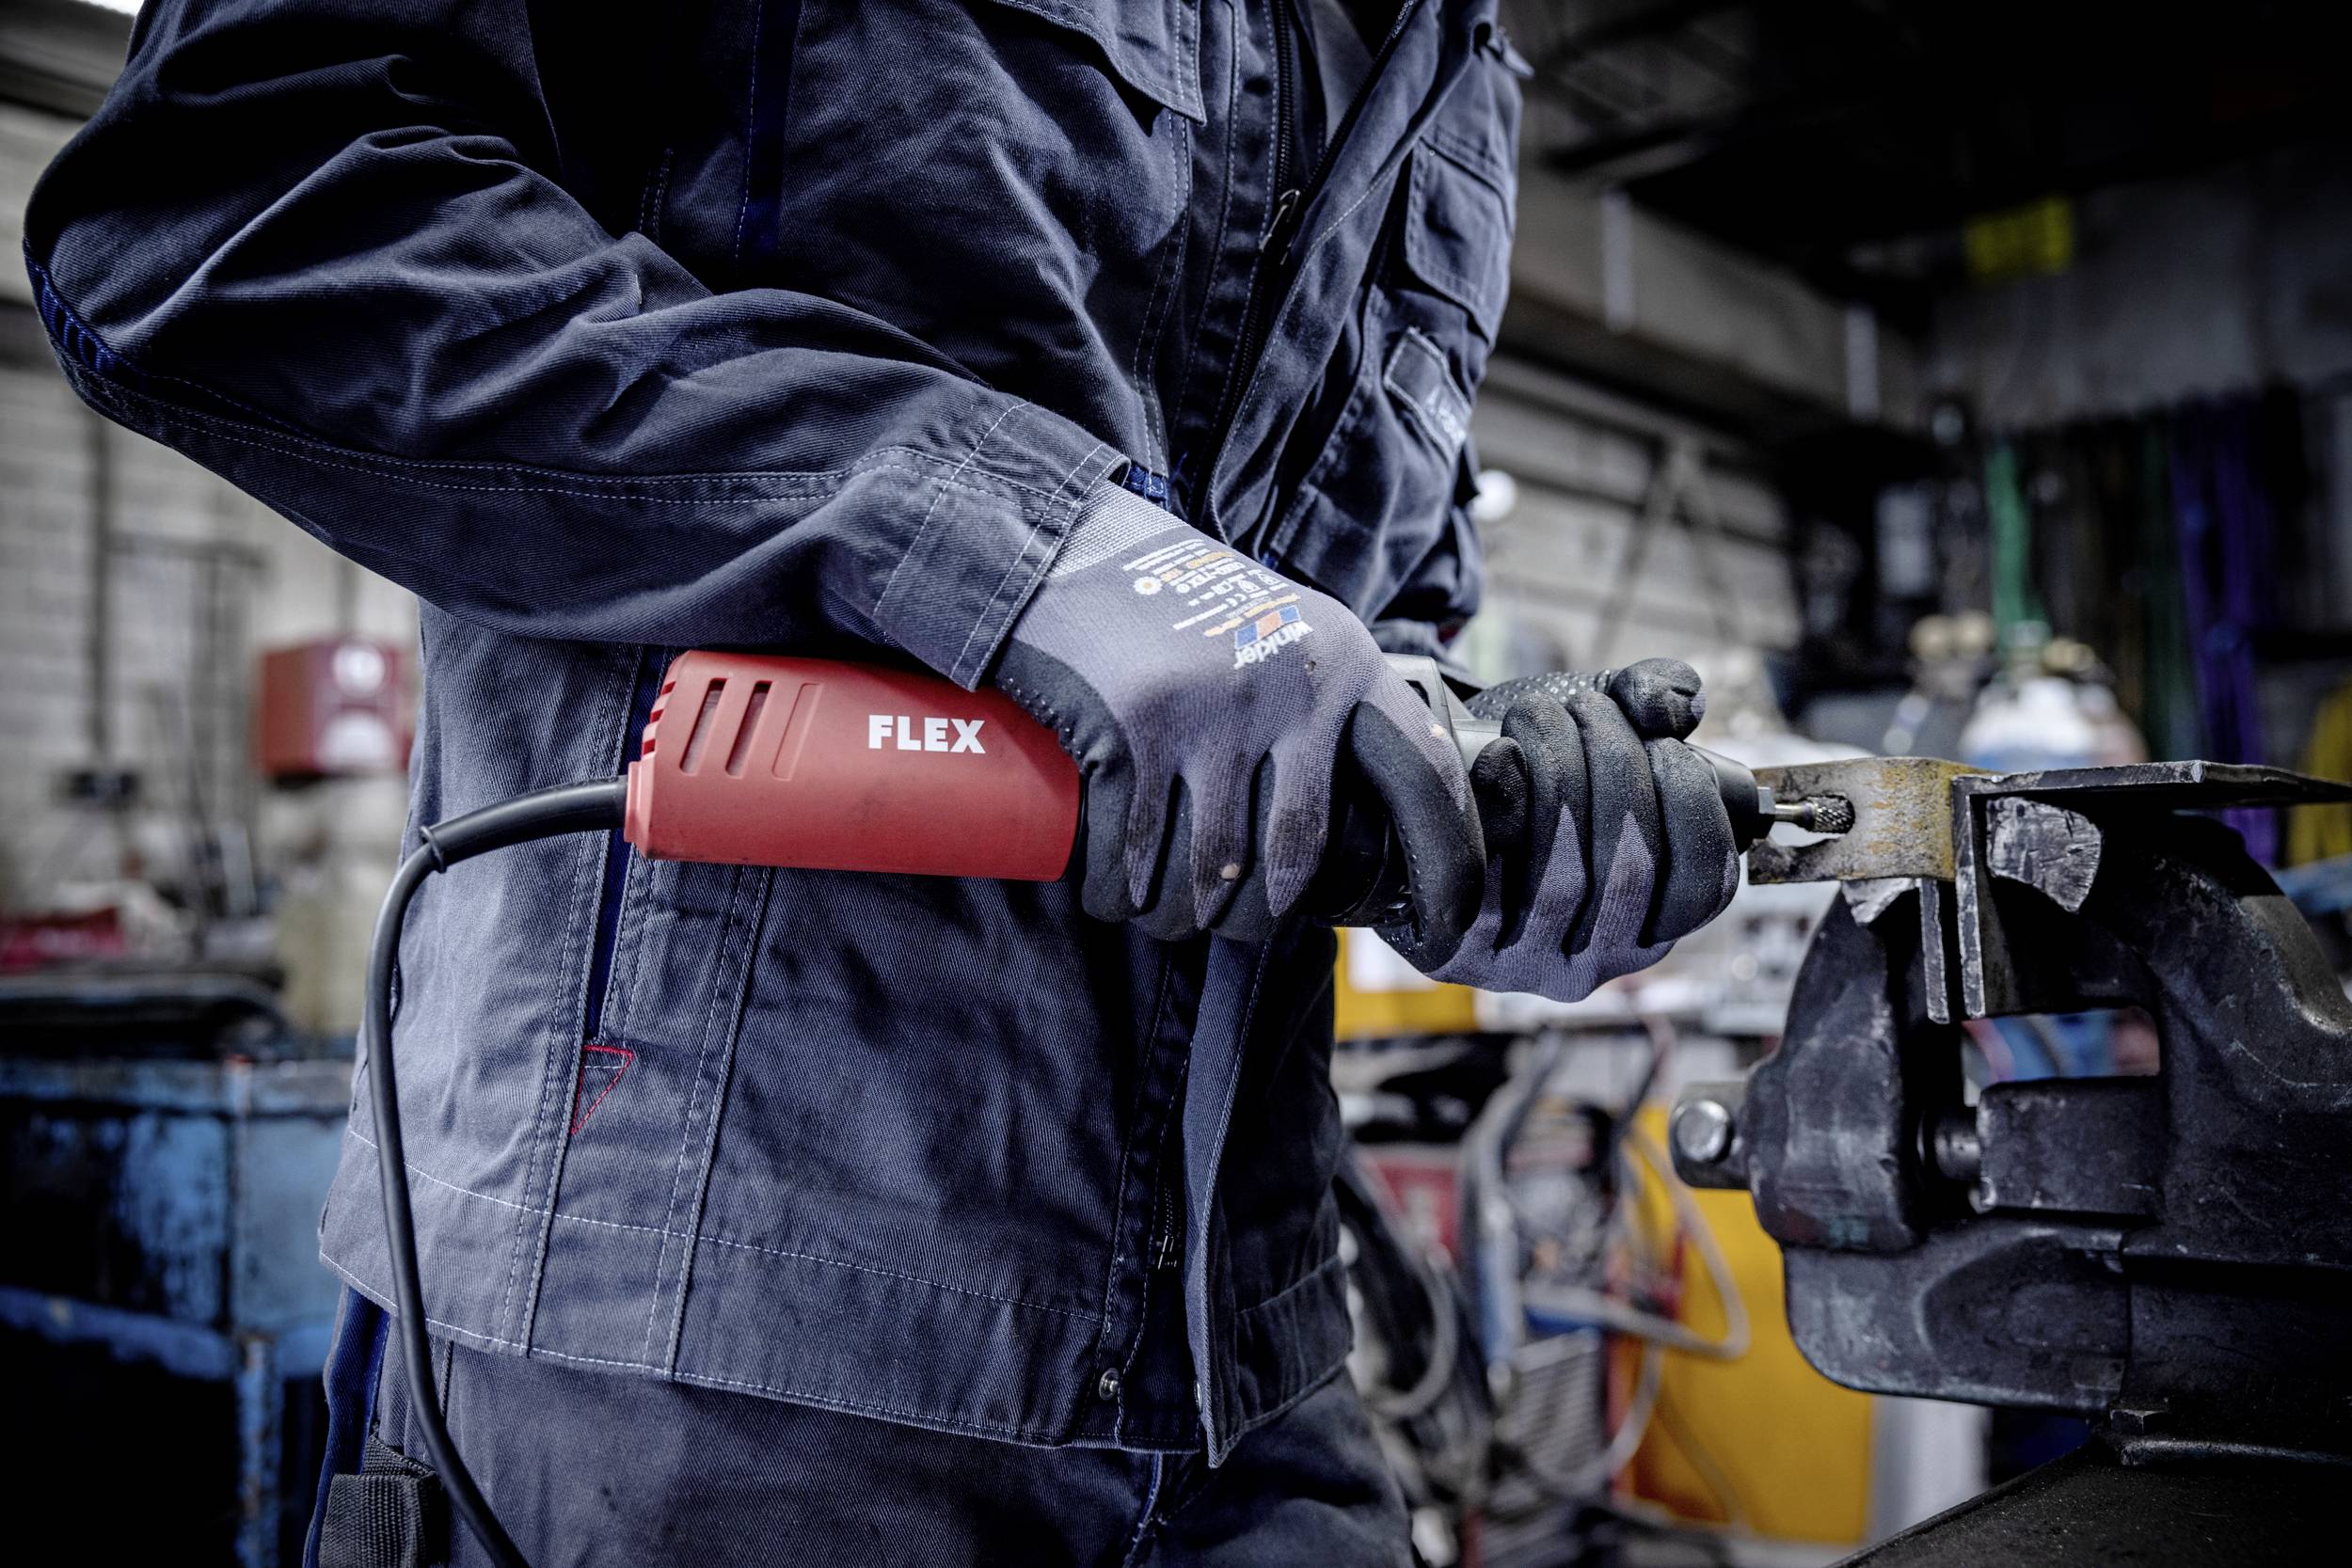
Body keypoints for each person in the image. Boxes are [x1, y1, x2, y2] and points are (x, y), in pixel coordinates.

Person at [27, 1, 1739, 1561]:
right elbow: (236, 195)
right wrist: (1022, 543)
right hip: (700, 1375)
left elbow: (1365, 624)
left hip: (1248, 1376)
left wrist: (1479, 808)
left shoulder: (1458, 59)